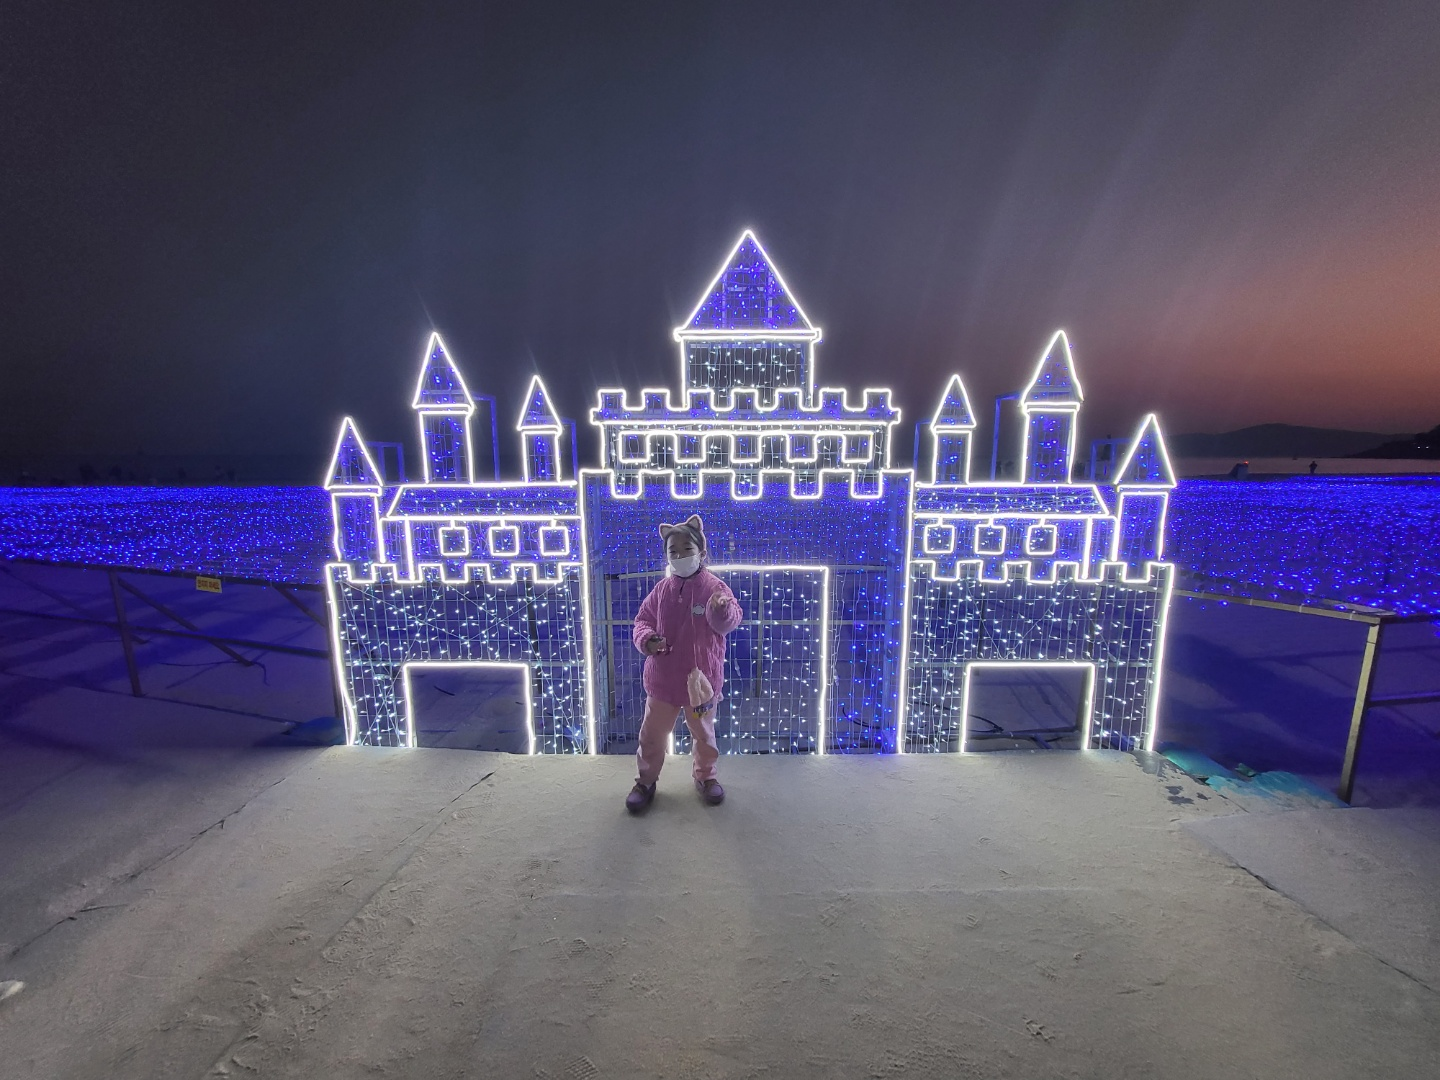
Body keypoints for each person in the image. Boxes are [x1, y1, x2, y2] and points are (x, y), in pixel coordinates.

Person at [626, 514, 742, 813]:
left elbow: (729, 624)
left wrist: (721, 609)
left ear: (701, 551)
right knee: (651, 736)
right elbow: (642, 621)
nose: (679, 556)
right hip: (663, 679)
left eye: (686, 549)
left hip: (701, 681)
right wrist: (648, 640)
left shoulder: (716, 587)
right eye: (672, 551)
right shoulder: (662, 590)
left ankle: (706, 777)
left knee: (704, 734)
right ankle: (645, 781)